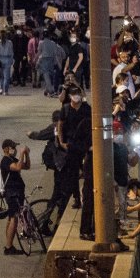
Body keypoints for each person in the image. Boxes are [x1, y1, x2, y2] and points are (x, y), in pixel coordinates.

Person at [56, 85, 91, 213]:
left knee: (88, 171)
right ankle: (76, 198)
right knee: (73, 173)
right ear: (70, 96)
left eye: (78, 94)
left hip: (85, 144)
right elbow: (60, 125)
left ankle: (87, 195)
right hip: (71, 144)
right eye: (74, 94)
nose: (77, 96)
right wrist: (61, 141)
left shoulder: (86, 108)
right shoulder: (65, 109)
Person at [0, 139, 30, 256]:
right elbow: (17, 167)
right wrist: (21, 153)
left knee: (11, 218)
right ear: (6, 149)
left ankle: (8, 244)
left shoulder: (12, 159)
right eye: (13, 148)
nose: (15, 150)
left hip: (17, 192)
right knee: (14, 218)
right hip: (12, 194)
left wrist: (26, 154)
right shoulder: (5, 161)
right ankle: (9, 247)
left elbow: (26, 166)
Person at [0, 29, 15, 95]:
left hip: (0, 60)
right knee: (6, 76)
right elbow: (11, 53)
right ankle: (5, 91)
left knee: (1, 76)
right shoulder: (10, 42)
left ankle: (1, 89)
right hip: (7, 59)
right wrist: (12, 61)